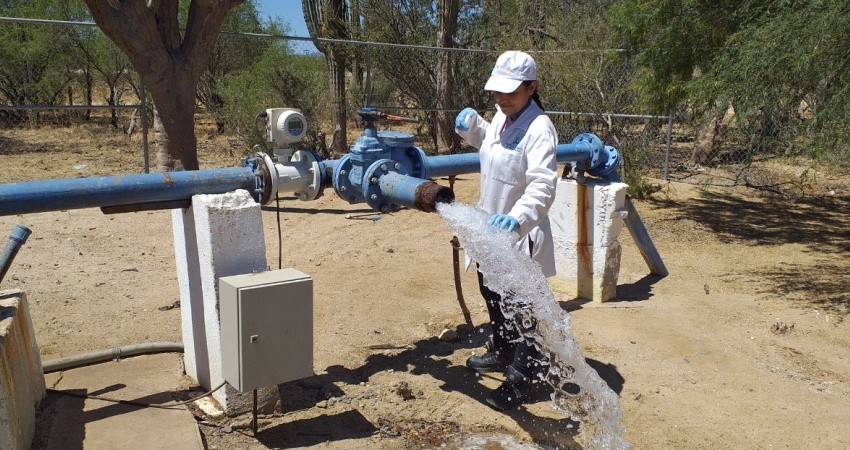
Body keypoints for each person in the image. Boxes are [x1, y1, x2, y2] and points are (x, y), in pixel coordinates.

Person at [454, 50, 559, 411]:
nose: (501, 98)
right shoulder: (502, 116)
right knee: (492, 292)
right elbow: (492, 147)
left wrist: (518, 217)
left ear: (531, 88)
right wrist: (474, 128)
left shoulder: (540, 128)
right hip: (489, 227)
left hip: (518, 232)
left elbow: (543, 185)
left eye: (510, 92)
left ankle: (522, 375)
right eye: (497, 92)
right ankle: (502, 349)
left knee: (523, 306)